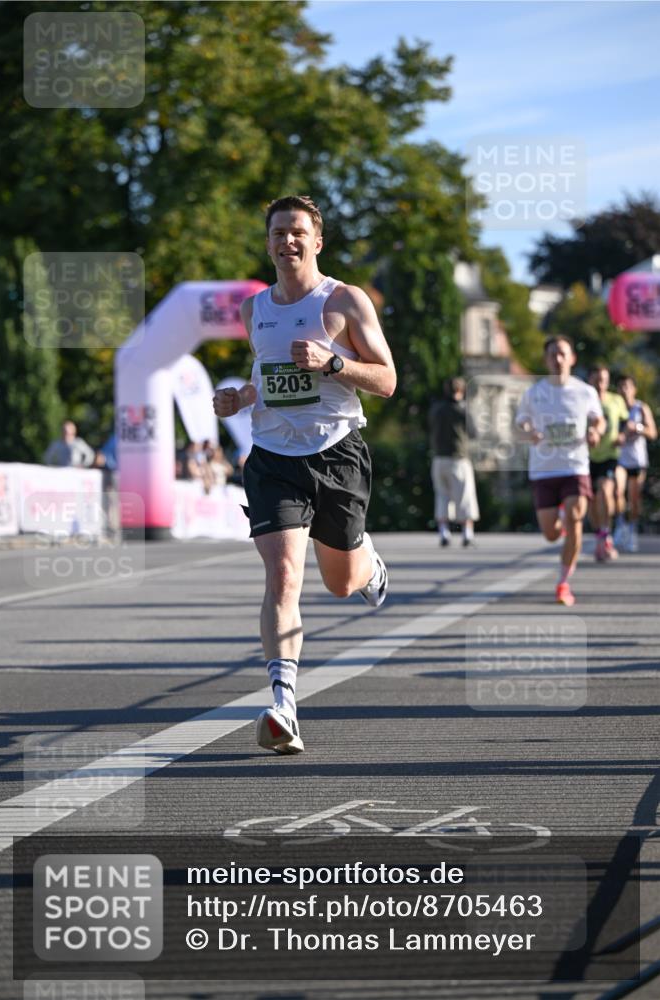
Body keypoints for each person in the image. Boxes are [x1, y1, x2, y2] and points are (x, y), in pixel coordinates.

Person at [212, 194, 396, 754]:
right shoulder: (253, 309)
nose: (286, 241)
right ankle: (283, 703)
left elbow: (387, 381)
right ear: (267, 243)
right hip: (272, 458)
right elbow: (265, 378)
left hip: (337, 453)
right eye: (277, 233)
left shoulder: (344, 300)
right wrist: (240, 397)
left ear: (317, 241)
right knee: (284, 576)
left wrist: (333, 362)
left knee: (339, 583)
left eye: (297, 232)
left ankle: (365, 561)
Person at [515, 335, 605, 607]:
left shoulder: (585, 391)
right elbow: (520, 423)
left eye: (563, 353)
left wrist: (595, 432)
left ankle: (563, 583)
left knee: (576, 517)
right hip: (543, 469)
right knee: (551, 534)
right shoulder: (533, 393)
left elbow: (599, 420)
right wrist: (528, 431)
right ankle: (562, 522)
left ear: (572, 358)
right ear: (546, 359)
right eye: (553, 354)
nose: (558, 359)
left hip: (575, 466)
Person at [428, 376, 479, 547]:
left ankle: (444, 532)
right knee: (464, 496)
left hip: (439, 458)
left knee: (442, 496)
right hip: (458, 458)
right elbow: (474, 433)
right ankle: (467, 533)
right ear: (461, 390)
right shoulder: (462, 410)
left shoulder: (436, 409)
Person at [587, 365, 629, 561]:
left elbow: (625, 422)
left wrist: (622, 435)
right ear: (590, 381)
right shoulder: (583, 399)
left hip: (610, 455)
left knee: (605, 491)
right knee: (591, 500)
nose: (600, 384)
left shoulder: (615, 400)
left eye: (603, 380)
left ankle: (606, 535)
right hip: (586, 456)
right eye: (596, 380)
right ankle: (598, 536)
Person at [614, 375, 657, 552]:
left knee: (634, 499)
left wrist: (637, 427)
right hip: (618, 459)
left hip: (637, 460)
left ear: (634, 389)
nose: (624, 390)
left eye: (627, 387)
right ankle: (620, 525)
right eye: (621, 387)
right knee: (617, 492)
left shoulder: (641, 408)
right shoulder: (614, 408)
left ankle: (631, 530)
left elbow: (653, 433)